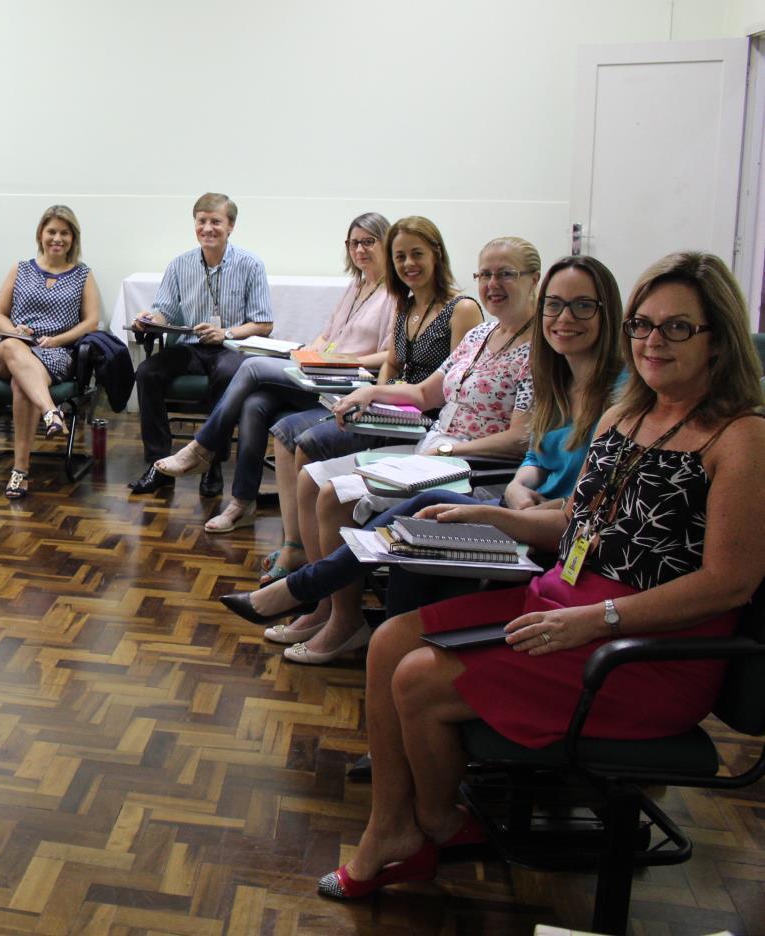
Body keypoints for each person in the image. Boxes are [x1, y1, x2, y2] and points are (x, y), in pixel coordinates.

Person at [315, 252, 765, 902]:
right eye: (642, 325)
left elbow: (729, 581)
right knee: (388, 641)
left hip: (642, 651)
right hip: (560, 605)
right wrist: (488, 517)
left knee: (416, 677)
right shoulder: (626, 416)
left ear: (717, 338)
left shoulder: (739, 437)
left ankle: (434, 825)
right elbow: (577, 529)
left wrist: (596, 619)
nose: (651, 342)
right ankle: (396, 825)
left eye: (676, 328)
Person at [223, 254, 624, 646]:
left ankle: (311, 595)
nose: (565, 318)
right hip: (489, 479)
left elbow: (568, 481)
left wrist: (462, 457)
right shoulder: (550, 373)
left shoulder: (603, 389)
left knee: (414, 504)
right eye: (556, 306)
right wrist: (521, 486)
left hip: (503, 487)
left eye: (582, 306)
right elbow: (534, 453)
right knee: (319, 473)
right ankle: (329, 609)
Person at [246, 237, 539, 664]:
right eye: (486, 274)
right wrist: (370, 391)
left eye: (506, 274)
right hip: (432, 451)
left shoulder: (538, 352)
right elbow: (423, 392)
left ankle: (345, 622)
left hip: (469, 466)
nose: (493, 284)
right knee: (311, 477)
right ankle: (327, 606)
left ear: (534, 279)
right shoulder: (482, 332)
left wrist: (451, 449)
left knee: (333, 494)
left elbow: (520, 438)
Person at [256, 216, 482, 586]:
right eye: (400, 257)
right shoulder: (405, 304)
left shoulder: (461, 308)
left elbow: (454, 386)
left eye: (416, 254)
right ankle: (306, 556)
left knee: (309, 442)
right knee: (291, 432)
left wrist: (381, 398)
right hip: (390, 411)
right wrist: (373, 405)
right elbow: (392, 361)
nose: (408, 264)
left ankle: (316, 571)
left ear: (437, 254)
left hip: (425, 420)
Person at [155, 212, 395, 532]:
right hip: (323, 371)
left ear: (386, 243)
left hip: (350, 382)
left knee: (252, 365)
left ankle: (202, 448)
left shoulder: (395, 292)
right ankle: (242, 504)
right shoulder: (357, 285)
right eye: (354, 243)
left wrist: (344, 359)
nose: (360, 250)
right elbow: (327, 335)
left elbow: (391, 355)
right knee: (255, 403)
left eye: (369, 242)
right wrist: (308, 353)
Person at [129, 193, 272, 496]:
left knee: (225, 373)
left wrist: (227, 334)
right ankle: (159, 464)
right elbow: (164, 310)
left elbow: (263, 323)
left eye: (215, 221)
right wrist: (148, 318)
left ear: (230, 226)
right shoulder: (179, 264)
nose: (208, 228)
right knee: (147, 372)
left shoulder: (251, 264)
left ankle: (211, 462)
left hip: (232, 348)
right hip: (192, 347)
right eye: (202, 221)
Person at [0, 205, 102, 500]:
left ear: (73, 238)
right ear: (41, 234)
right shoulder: (21, 268)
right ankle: (51, 412)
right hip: (10, 347)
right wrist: (14, 330)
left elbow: (91, 322)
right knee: (12, 347)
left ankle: (20, 471)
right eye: (52, 231)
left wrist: (58, 339)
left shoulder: (82, 275)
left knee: (21, 384)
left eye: (64, 233)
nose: (57, 238)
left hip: (55, 353)